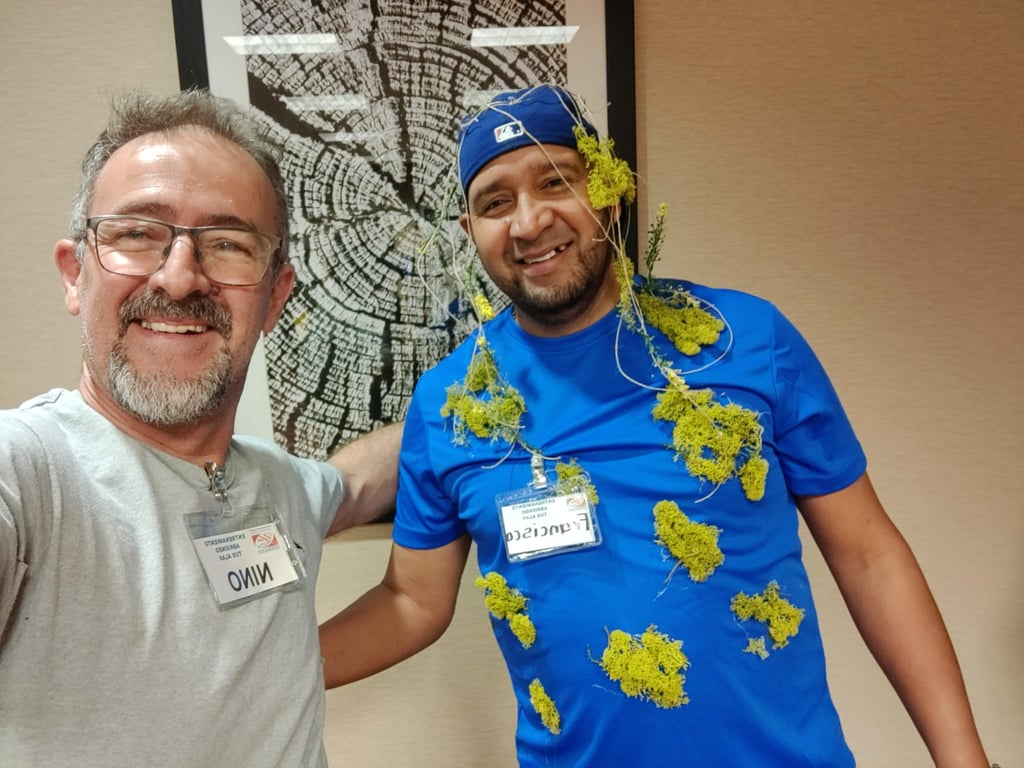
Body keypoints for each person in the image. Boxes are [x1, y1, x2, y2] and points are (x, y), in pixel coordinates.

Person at [318, 84, 989, 766]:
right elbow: (411, 602)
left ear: (607, 189)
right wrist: (253, 670)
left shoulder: (746, 339)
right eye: (496, 202)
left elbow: (870, 557)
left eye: (556, 181)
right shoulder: (449, 405)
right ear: (470, 232)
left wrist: (964, 759)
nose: (528, 221)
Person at [0, 89, 401, 767]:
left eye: (227, 244)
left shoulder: (277, 485)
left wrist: (487, 380)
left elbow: (358, 479)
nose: (181, 278)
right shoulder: (31, 472)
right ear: (74, 275)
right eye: (135, 234)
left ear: (275, 297)